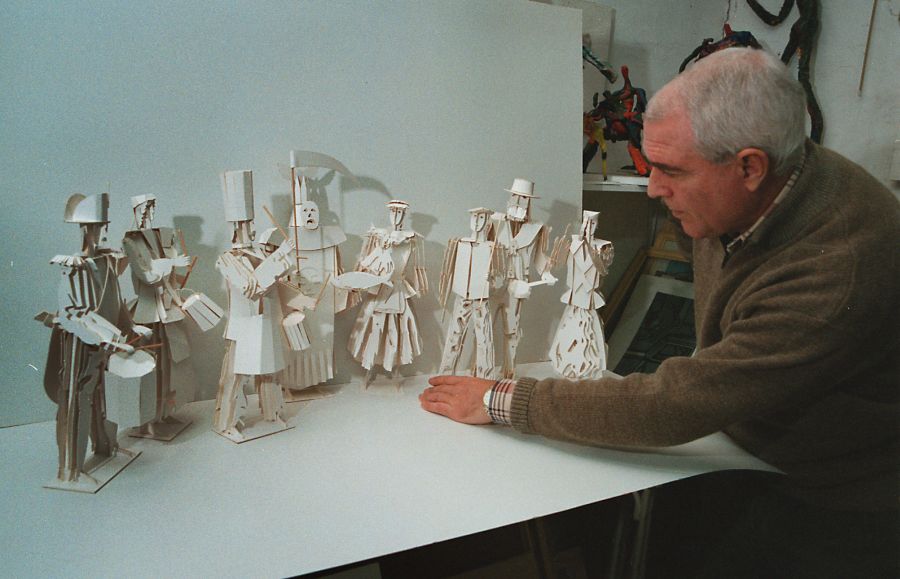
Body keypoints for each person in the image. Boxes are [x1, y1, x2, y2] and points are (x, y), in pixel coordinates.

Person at [421, 47, 899, 577]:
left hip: (837, 496)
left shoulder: (838, 265)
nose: (653, 189)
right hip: (742, 443)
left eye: (670, 171)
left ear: (749, 166)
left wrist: (502, 400)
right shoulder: (755, 187)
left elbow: (679, 403)